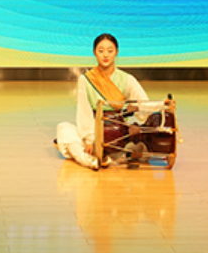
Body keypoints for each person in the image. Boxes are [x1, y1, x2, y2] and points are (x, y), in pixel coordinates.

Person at [55, 33, 152, 170]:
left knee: (143, 146)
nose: (105, 55)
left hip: (120, 135)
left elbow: (144, 104)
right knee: (64, 129)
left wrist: (162, 106)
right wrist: (90, 140)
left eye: (110, 51)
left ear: (116, 52)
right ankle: (89, 160)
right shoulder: (85, 80)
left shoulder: (127, 79)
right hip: (95, 132)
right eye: (101, 51)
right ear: (94, 52)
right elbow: (84, 111)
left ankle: (108, 157)